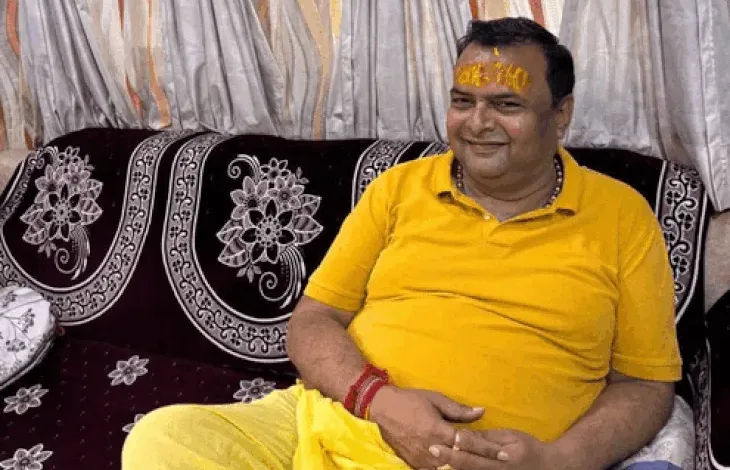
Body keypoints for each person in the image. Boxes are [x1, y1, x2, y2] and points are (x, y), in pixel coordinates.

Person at [122, 17, 681, 470]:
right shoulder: (399, 188)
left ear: (560, 116)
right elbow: (313, 320)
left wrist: (560, 461)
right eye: (462, 101)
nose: (477, 123)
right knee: (164, 440)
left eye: (506, 105)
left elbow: (647, 384)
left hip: (478, 461)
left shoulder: (621, 216)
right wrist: (378, 402)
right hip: (336, 423)